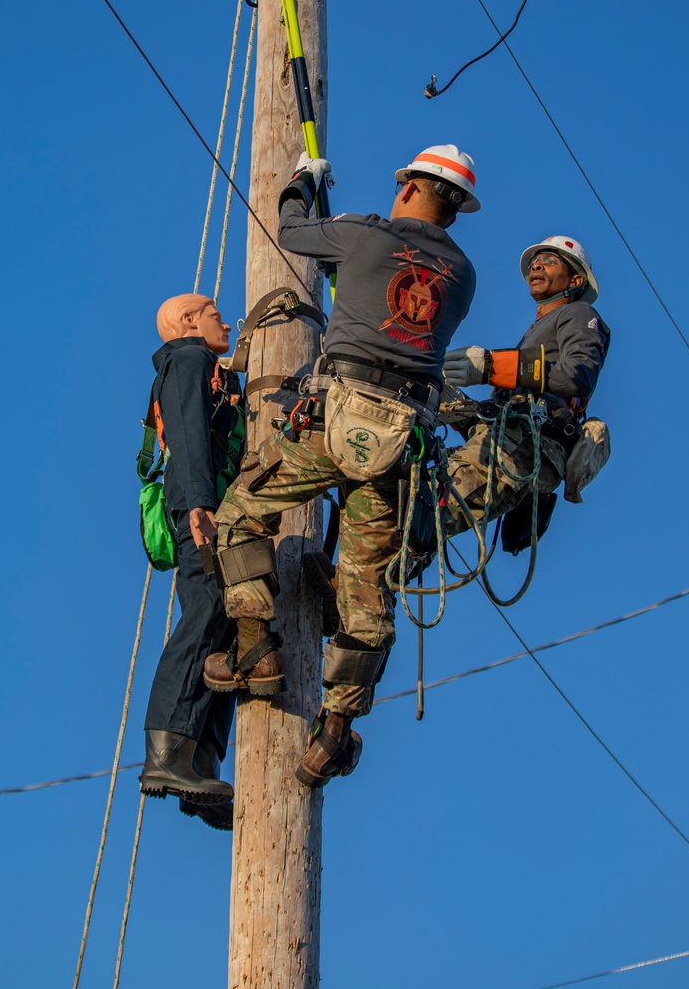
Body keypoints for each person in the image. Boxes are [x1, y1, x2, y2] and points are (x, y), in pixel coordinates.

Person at [203, 144, 479, 789]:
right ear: (456, 212)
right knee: (365, 595)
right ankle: (333, 734)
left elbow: (293, 230)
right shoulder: (463, 275)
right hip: (398, 439)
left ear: (410, 187)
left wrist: (301, 181)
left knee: (239, 515)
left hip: (332, 423)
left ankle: (254, 647)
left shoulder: (365, 233)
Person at [139, 292, 245, 831]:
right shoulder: (188, 360)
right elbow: (186, 433)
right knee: (206, 613)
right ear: (186, 324)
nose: (222, 319)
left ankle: (200, 762)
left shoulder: (212, 368)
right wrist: (201, 504)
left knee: (229, 626)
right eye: (212, 313)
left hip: (220, 509)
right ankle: (166, 754)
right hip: (203, 510)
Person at [442, 235, 610, 538]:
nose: (537, 265)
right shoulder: (536, 331)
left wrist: (493, 367)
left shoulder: (579, 313)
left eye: (550, 260)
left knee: (429, 508)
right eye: (535, 262)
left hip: (531, 442)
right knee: (415, 507)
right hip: (511, 437)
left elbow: (579, 374)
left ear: (575, 279)